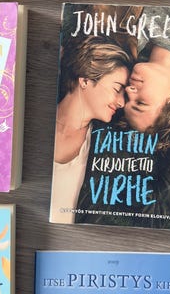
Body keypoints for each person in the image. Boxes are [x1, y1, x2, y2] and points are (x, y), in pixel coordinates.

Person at [76, 6, 170, 229]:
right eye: (141, 103)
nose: (129, 91)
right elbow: (161, 214)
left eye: (128, 100)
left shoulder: (115, 38)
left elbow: (157, 215)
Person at [50, 35, 133, 223]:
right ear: (86, 79)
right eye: (116, 89)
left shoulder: (108, 147)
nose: (121, 102)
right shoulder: (37, 120)